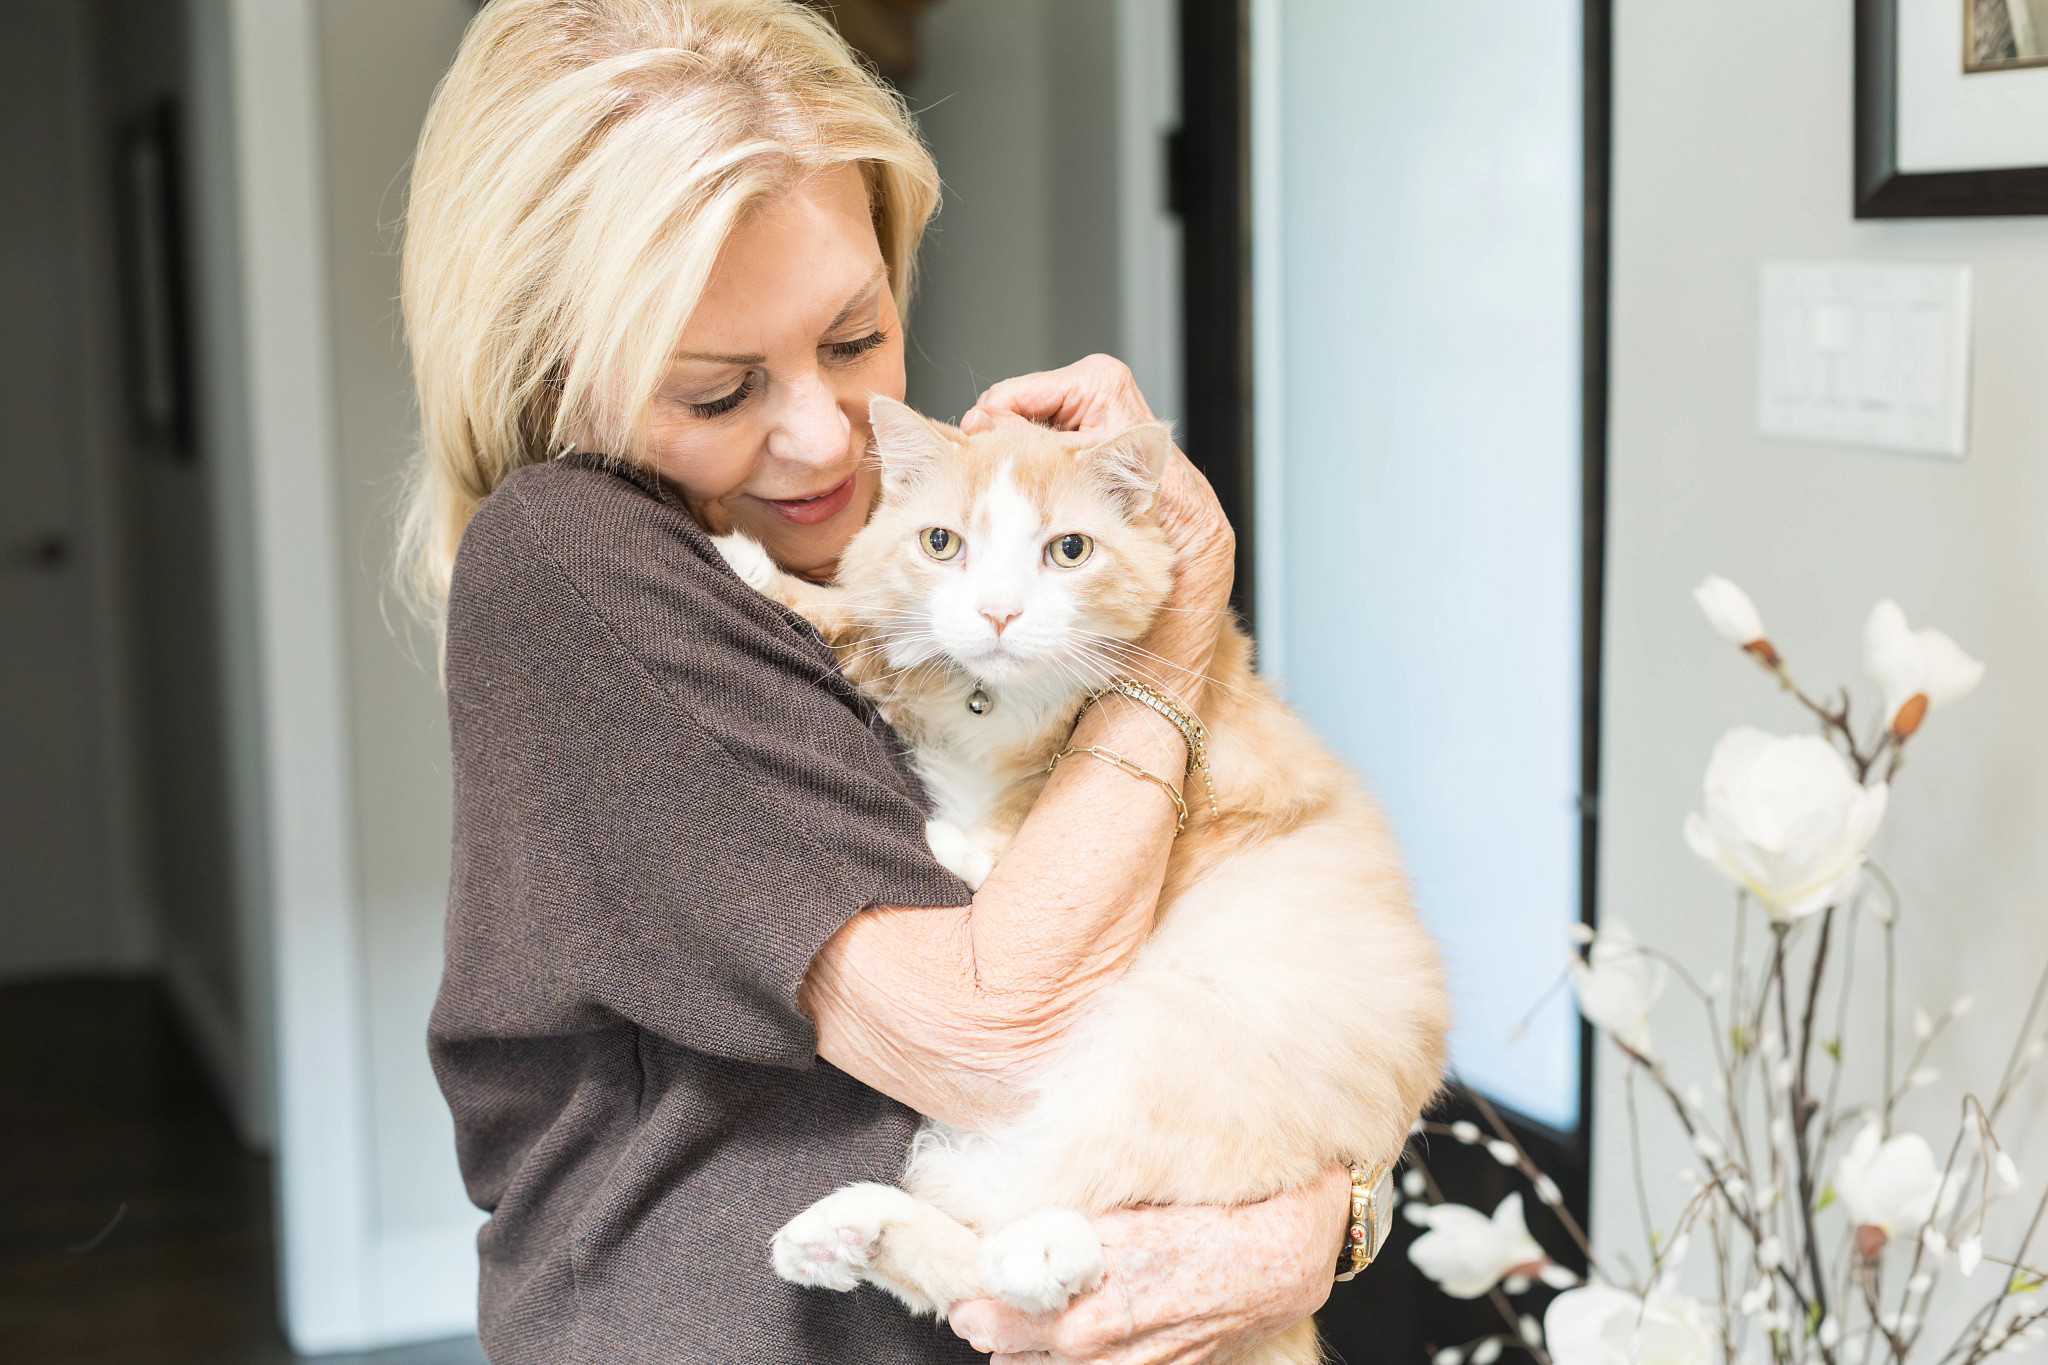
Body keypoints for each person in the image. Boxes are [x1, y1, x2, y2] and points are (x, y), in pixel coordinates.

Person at [401, 2, 1364, 1360]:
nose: (822, 437)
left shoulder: (920, 554)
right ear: (554, 377)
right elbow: (1005, 1031)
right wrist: (1174, 614)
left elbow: (1230, 964)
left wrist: (1328, 1212)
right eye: (721, 391)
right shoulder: (571, 560)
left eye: (855, 340)